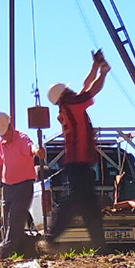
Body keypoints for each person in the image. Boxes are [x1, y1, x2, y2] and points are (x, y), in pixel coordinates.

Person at [41, 50, 111, 253]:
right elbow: (92, 89)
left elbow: (85, 85)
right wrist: (103, 73)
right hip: (77, 163)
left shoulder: (67, 105)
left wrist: (95, 67)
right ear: (65, 92)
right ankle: (50, 237)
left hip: (79, 162)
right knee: (72, 200)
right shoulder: (72, 104)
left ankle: (99, 245)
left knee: (89, 205)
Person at [0, 111, 45, 259]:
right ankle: (23, 250)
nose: (3, 137)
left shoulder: (22, 138)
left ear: (10, 126)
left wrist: (37, 151)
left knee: (15, 219)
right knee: (6, 220)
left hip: (23, 186)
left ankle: (3, 253)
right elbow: (1, 165)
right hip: (7, 188)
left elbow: (31, 147)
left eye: (5, 133)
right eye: (0, 135)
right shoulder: (1, 143)